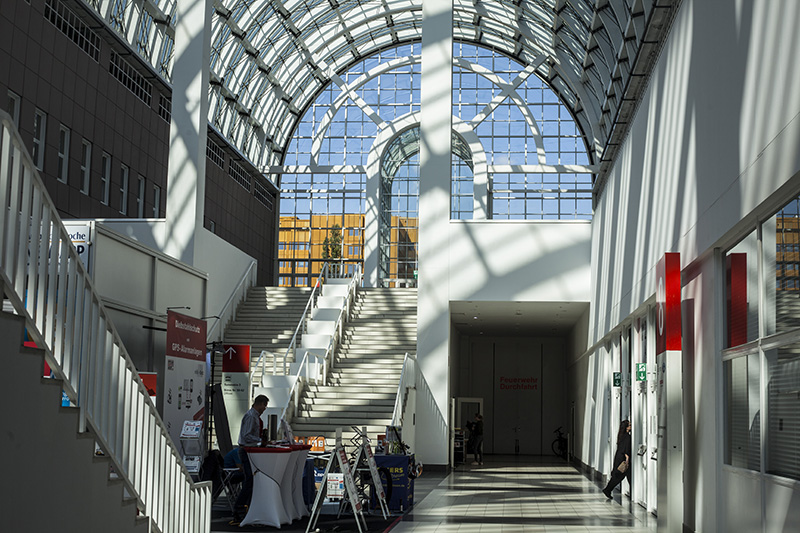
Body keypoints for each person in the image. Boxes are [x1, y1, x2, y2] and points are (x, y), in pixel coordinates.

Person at [231, 394, 269, 524]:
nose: (265, 409)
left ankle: (245, 508)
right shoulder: (251, 416)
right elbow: (247, 436)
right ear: (260, 403)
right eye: (264, 405)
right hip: (246, 451)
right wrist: (260, 441)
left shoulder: (254, 416)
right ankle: (239, 509)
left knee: (250, 481)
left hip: (249, 451)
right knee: (249, 481)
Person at [603, 419, 631, 499]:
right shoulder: (627, 437)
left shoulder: (621, 435)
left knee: (619, 475)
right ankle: (607, 489)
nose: (630, 426)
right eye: (629, 425)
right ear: (626, 427)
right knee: (619, 476)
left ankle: (608, 489)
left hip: (618, 458)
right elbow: (626, 450)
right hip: (622, 459)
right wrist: (627, 460)